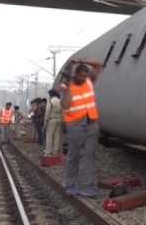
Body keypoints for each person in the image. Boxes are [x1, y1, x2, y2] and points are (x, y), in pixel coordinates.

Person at [60, 60, 103, 197]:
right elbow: (65, 105)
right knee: (74, 155)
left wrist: (82, 61)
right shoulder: (68, 86)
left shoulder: (89, 82)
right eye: (81, 75)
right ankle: (70, 184)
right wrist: (66, 90)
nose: (83, 78)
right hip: (75, 125)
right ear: (74, 75)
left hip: (91, 123)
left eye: (85, 75)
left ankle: (87, 187)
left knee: (89, 156)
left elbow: (98, 65)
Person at [44, 89, 63, 157]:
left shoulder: (51, 101)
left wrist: (45, 122)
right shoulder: (60, 101)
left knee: (49, 136)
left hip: (51, 120)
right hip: (59, 120)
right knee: (57, 137)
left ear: (51, 94)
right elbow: (62, 111)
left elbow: (47, 112)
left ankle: (48, 152)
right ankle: (55, 152)